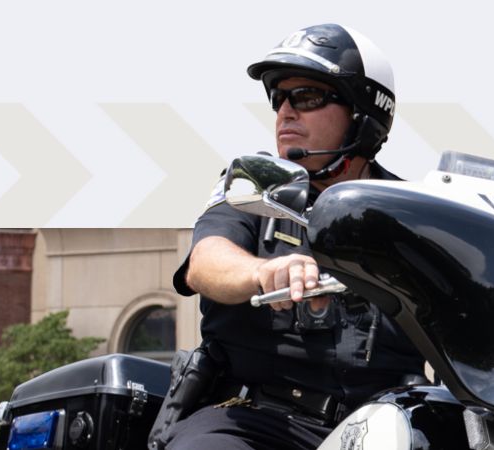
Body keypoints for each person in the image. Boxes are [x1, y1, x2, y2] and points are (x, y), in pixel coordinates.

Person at [162, 23, 424, 450]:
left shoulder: (413, 214)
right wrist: (263, 273)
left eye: (305, 97)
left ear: (362, 114)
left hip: (388, 427)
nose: (285, 111)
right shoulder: (252, 186)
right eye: (278, 98)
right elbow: (206, 262)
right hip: (254, 420)